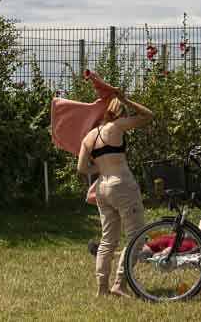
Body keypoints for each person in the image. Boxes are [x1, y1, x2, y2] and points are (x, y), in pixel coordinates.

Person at [76, 71, 154, 297]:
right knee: (136, 237)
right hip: (123, 186)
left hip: (102, 188)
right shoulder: (118, 126)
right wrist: (127, 99)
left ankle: (102, 289)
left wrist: (100, 169)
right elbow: (148, 115)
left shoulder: (89, 136)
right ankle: (120, 284)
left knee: (107, 240)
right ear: (119, 111)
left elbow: (81, 168)